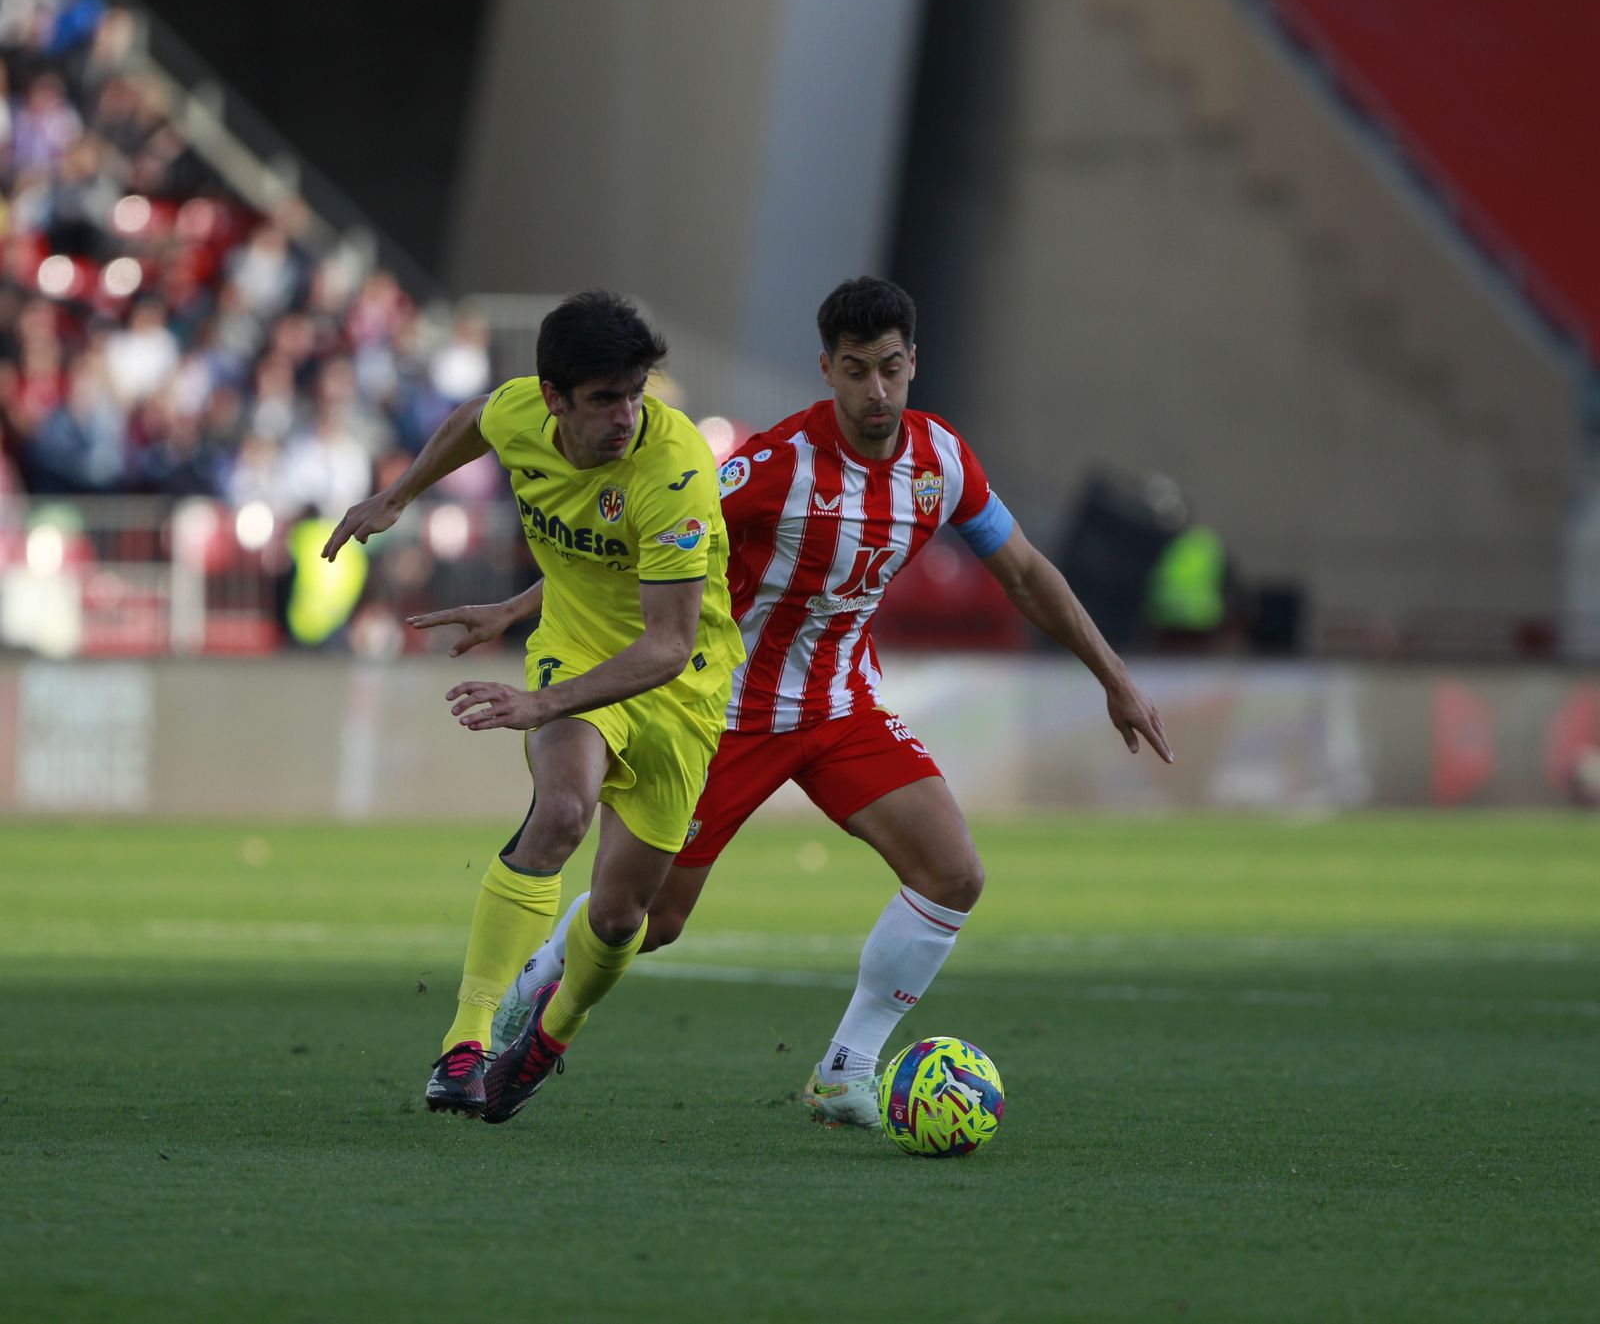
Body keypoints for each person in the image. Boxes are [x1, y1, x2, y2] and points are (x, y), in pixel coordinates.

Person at [413, 277, 1170, 1127]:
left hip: (840, 707)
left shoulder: (942, 462)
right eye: (855, 371)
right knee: (648, 921)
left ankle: (846, 1068)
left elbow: (1025, 571)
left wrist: (1113, 675)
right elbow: (632, 556)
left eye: (890, 368)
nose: (875, 391)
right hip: (722, 710)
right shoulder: (772, 468)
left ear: (913, 363)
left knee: (954, 872)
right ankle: (546, 965)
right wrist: (522, 607)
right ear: (826, 371)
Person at [323, 290, 743, 1123]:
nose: (626, 415)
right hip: (574, 654)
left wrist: (536, 700)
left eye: (635, 393)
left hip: (681, 688)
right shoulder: (523, 413)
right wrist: (399, 496)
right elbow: (477, 418)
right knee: (560, 810)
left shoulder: (674, 469)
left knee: (626, 917)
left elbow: (663, 642)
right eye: (603, 399)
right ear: (553, 397)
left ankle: (550, 1035)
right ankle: (465, 1043)